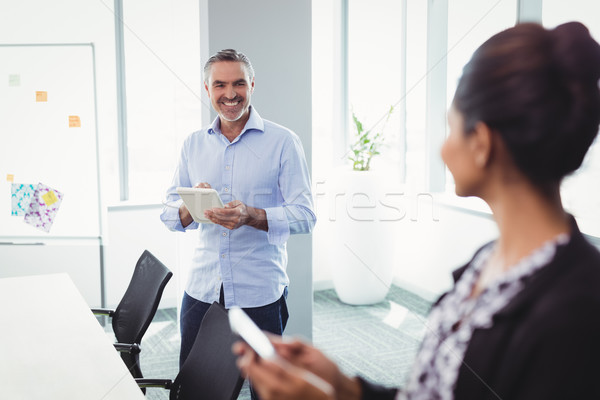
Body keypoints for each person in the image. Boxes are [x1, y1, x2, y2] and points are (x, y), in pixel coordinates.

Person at [234, 21, 600, 399]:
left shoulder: (575, 313)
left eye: (451, 128)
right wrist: (345, 388)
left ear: (482, 143)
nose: (442, 149)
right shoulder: (488, 261)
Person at [160, 49, 316, 376]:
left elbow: (304, 215)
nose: (230, 94)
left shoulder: (284, 142)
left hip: (259, 290)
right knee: (194, 382)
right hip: (203, 287)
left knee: (266, 387)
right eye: (219, 85)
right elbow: (169, 214)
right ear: (207, 89)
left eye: (238, 84)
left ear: (252, 85)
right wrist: (192, 205)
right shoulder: (193, 144)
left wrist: (250, 216)